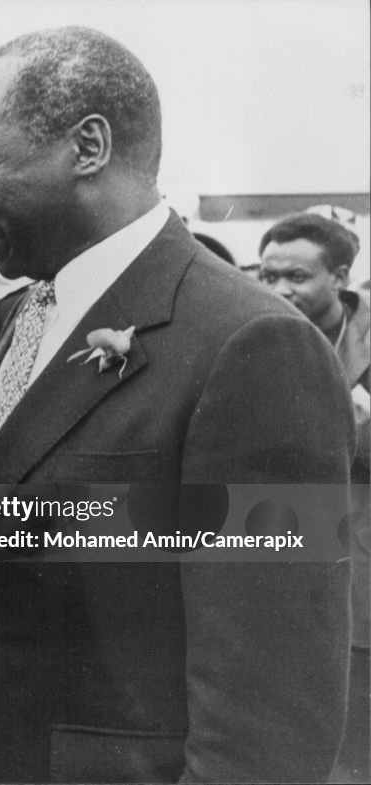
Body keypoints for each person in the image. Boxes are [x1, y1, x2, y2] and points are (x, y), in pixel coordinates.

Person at [0, 27, 356, 783]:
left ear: (88, 146)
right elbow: (31, 529)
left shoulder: (253, 348)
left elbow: (272, 713)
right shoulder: (35, 311)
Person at [259, 211, 370, 782]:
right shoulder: (251, 331)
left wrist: (335, 417)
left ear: (341, 277)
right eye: (268, 275)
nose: (280, 290)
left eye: (297, 277)